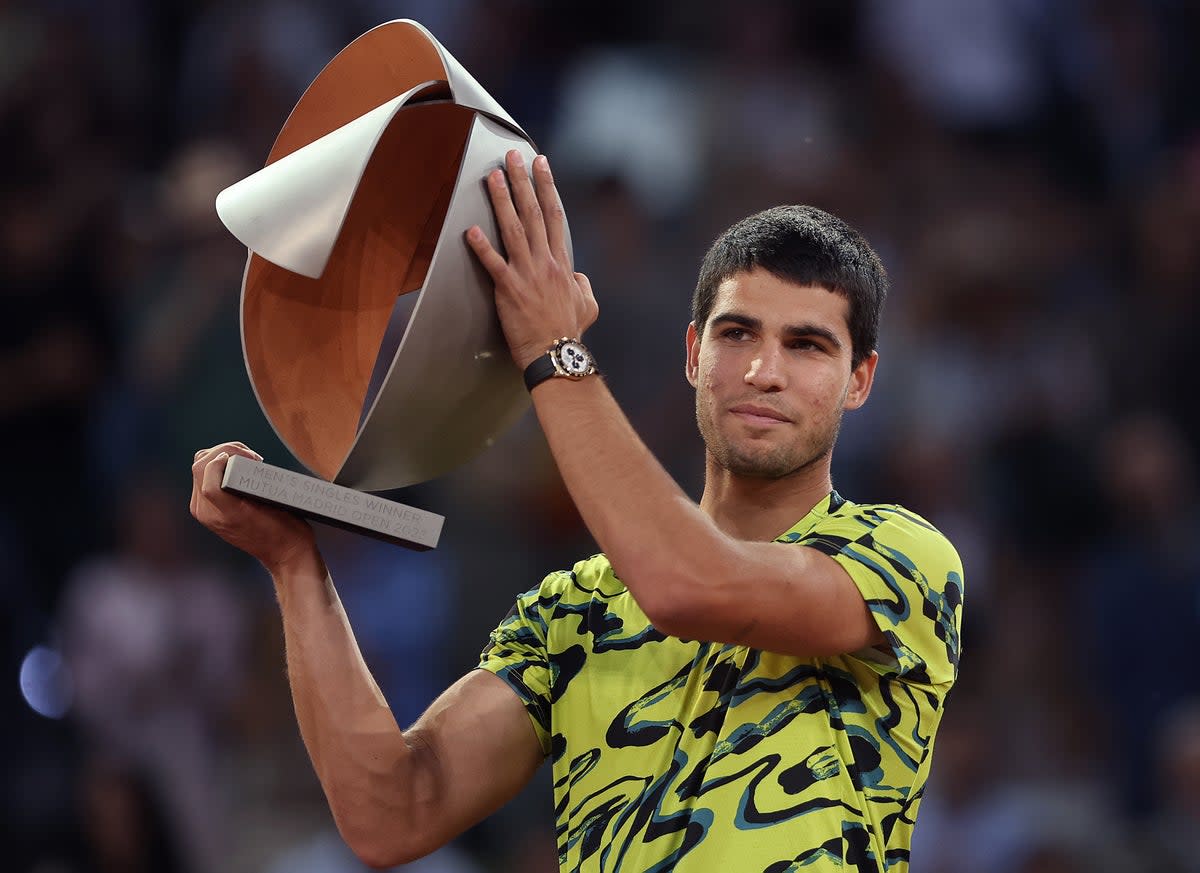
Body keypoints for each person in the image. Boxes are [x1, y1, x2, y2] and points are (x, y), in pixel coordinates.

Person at [191, 150, 964, 872]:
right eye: (738, 334)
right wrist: (295, 566)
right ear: (693, 354)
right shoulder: (578, 609)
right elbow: (390, 810)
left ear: (860, 379)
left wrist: (553, 349)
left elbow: (686, 584)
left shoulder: (901, 557)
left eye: (807, 346)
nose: (764, 371)